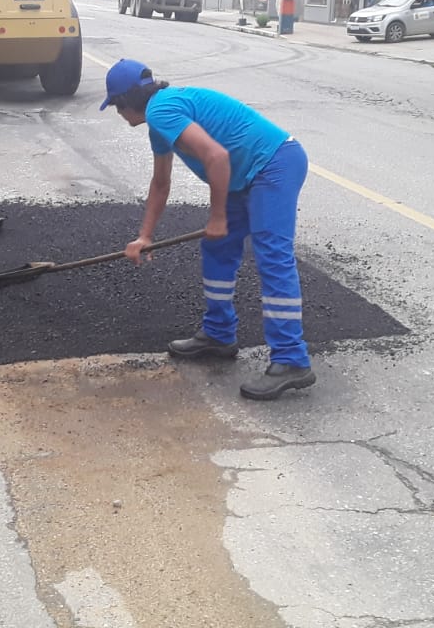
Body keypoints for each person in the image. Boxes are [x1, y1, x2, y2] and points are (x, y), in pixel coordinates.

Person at [101, 59, 316, 401]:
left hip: (273, 163)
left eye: (114, 105)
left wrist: (217, 218)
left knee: (272, 256)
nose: (117, 113)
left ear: (126, 101)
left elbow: (216, 157)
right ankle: (219, 334)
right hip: (243, 174)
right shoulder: (160, 121)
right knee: (217, 249)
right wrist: (145, 236)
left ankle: (291, 360)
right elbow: (160, 183)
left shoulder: (161, 112)